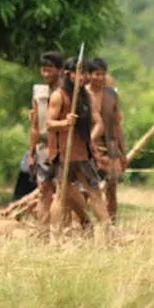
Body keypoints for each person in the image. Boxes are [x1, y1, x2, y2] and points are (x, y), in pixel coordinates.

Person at [47, 58, 109, 234]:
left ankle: (108, 233)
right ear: (69, 74)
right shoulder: (59, 95)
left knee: (95, 193)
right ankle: (55, 237)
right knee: (60, 195)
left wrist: (89, 138)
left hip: (83, 154)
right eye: (78, 73)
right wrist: (65, 123)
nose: (82, 77)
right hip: (63, 154)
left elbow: (98, 123)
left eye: (84, 73)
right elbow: (49, 124)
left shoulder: (85, 96)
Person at [84, 57, 126, 223]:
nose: (100, 78)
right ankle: (82, 225)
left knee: (112, 188)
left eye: (103, 74)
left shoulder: (111, 95)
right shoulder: (81, 94)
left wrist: (123, 153)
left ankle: (112, 225)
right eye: (96, 74)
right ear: (89, 75)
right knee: (86, 189)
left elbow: (116, 125)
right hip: (87, 146)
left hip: (110, 146)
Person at [28, 51, 63, 230]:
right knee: (43, 190)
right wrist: (31, 152)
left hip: (62, 146)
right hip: (43, 147)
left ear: (59, 70)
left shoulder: (66, 93)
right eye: (44, 70)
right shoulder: (38, 93)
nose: (46, 74)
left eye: (50, 70)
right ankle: (43, 230)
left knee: (64, 191)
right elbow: (34, 125)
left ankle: (60, 228)